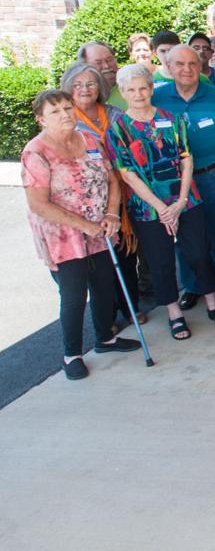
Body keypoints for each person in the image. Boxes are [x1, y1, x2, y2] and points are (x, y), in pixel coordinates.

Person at [22, 89, 140, 380]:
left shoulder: (88, 139)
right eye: (55, 111)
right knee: (74, 296)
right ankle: (71, 354)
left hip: (100, 227)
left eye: (67, 108)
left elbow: (112, 180)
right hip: (63, 236)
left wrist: (112, 214)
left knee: (104, 286)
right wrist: (84, 225)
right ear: (41, 119)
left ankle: (105, 338)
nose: (64, 114)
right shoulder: (36, 152)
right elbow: (38, 204)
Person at [109, 64, 215, 340]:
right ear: (123, 93)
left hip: (186, 199)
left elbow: (186, 158)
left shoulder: (171, 119)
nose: (138, 94)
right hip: (148, 207)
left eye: (143, 88)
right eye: (131, 90)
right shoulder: (118, 129)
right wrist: (162, 208)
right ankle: (174, 313)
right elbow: (127, 174)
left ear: (151, 88)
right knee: (160, 261)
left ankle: (213, 302)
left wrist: (182, 199)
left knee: (199, 252)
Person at [153, 45, 215, 308]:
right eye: (180, 64)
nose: (187, 69)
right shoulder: (157, 98)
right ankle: (193, 286)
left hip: (213, 174)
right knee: (184, 235)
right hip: (175, 181)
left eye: (192, 64)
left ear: (200, 66)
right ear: (169, 67)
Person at [61, 62, 141, 327]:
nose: (85, 89)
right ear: (68, 88)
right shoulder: (65, 117)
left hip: (122, 190)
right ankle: (107, 317)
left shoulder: (113, 113)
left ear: (100, 87)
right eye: (78, 84)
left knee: (126, 254)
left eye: (91, 83)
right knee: (100, 263)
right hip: (88, 198)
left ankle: (130, 308)